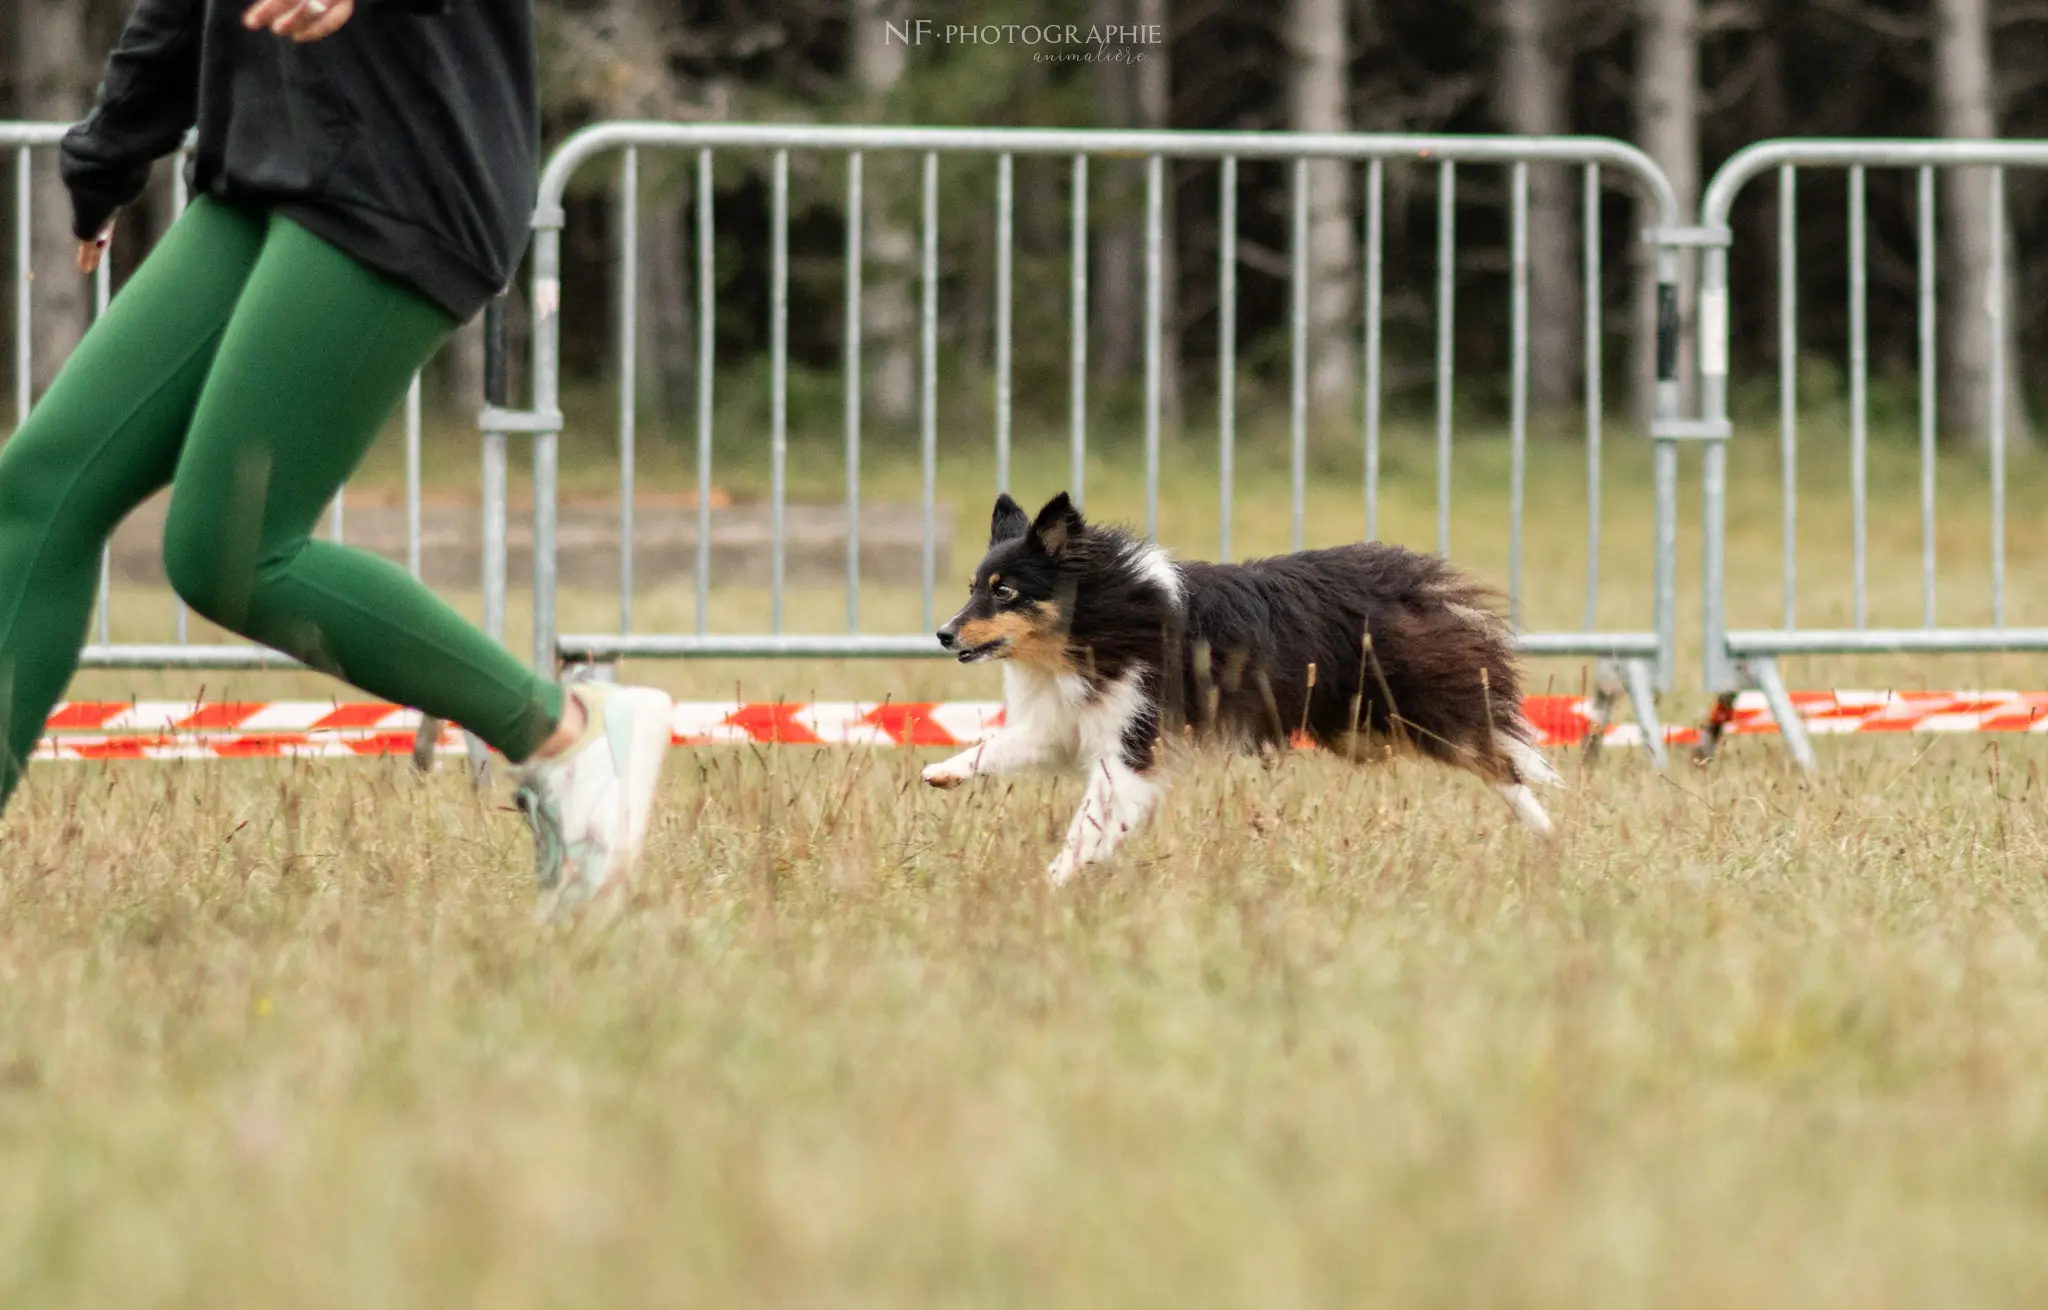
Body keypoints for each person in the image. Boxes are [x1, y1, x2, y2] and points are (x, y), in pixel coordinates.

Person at [0, 0, 673, 921]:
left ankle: (569, 737)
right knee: (39, 491)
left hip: (403, 170)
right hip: (260, 172)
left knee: (229, 554)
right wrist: (109, 149)